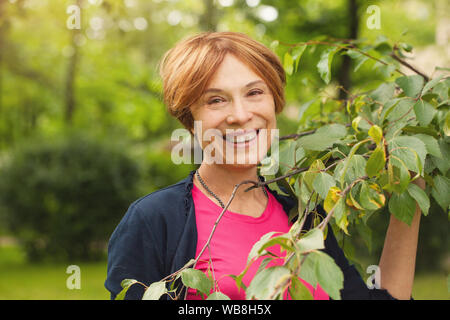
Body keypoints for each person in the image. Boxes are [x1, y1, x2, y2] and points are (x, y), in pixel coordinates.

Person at [105, 31, 423, 300]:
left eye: (254, 92)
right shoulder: (153, 220)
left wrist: (409, 190)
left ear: (274, 101)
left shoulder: (304, 217)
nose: (241, 115)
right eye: (216, 100)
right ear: (191, 120)